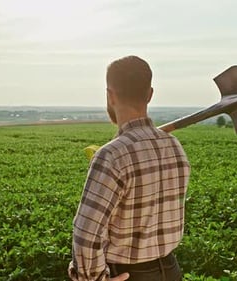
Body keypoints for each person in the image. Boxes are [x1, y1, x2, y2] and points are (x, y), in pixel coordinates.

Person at [68, 55, 191, 281]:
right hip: (171, 271)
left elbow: (86, 234)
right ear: (150, 94)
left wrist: (93, 278)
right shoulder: (174, 146)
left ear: (110, 96)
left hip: (126, 275)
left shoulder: (111, 156)